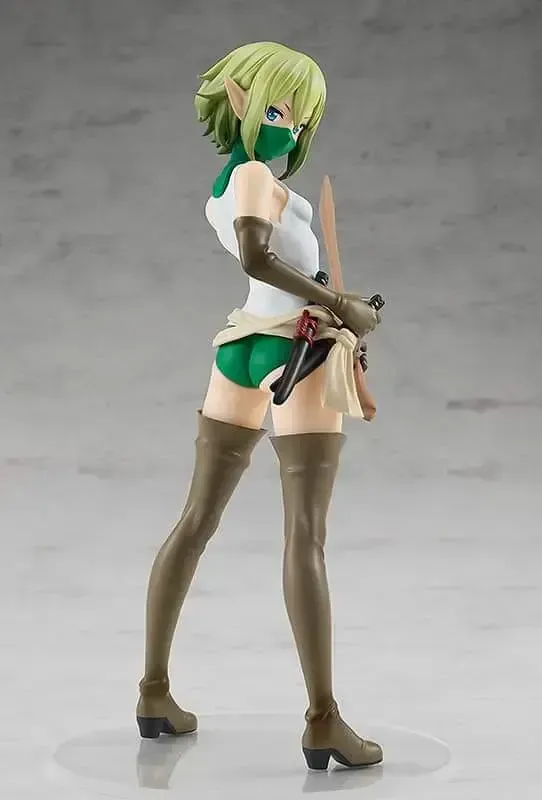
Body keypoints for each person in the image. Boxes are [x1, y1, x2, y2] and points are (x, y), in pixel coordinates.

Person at [136, 41, 383, 771]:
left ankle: (154, 693)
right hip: (293, 349)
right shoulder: (250, 176)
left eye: (303, 122)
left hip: (242, 347)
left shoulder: (231, 182)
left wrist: (336, 302)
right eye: (281, 112)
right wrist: (340, 303)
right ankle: (324, 719)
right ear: (239, 100)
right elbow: (255, 257)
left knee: (197, 520)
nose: (293, 131)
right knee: (305, 536)